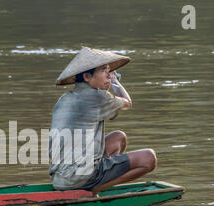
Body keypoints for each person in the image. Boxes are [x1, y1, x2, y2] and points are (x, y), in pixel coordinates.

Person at [48, 47, 157, 193]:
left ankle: (102, 179)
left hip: (60, 179)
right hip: (79, 177)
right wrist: (116, 83)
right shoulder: (97, 97)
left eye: (109, 71)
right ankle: (95, 189)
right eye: (104, 70)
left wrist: (108, 81)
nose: (108, 75)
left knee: (119, 138)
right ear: (87, 77)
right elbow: (127, 103)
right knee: (148, 158)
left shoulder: (65, 98)